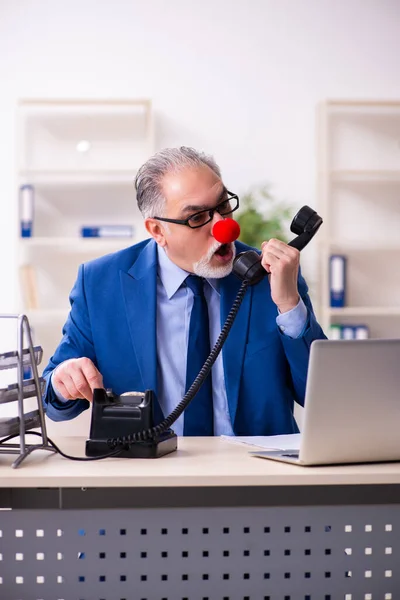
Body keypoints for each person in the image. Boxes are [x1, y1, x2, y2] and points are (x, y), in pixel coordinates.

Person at [42, 147, 326, 436]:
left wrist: (289, 305)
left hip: (255, 472)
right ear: (157, 231)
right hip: (149, 472)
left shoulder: (272, 276)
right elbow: (52, 403)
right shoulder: (99, 284)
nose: (223, 227)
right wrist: (64, 381)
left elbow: (322, 399)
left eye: (223, 206)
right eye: (197, 217)